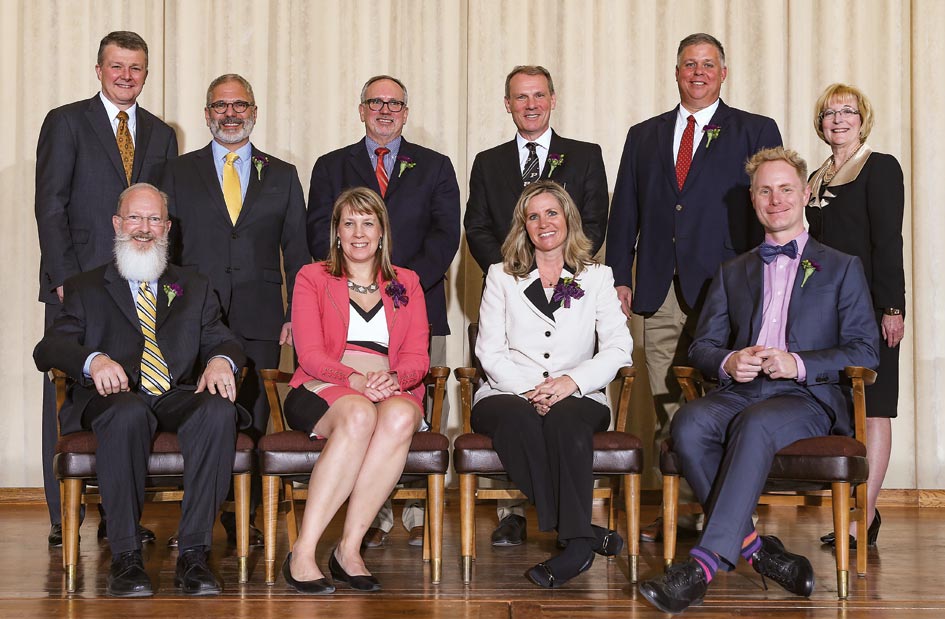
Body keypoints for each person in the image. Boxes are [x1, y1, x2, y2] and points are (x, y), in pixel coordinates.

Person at [638, 147, 879, 614]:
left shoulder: (842, 266)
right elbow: (701, 347)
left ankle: (701, 566)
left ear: (805, 194)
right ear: (753, 200)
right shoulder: (733, 272)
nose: (776, 199)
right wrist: (729, 362)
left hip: (807, 397)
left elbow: (865, 351)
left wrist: (798, 363)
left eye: (786, 189)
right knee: (686, 425)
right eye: (765, 191)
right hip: (742, 390)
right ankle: (755, 549)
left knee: (758, 424)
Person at [605, 33, 782, 541]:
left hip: (733, 289)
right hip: (659, 290)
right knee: (668, 404)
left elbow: (767, 205)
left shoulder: (754, 129)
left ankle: (729, 510)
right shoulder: (644, 135)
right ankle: (679, 507)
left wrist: (766, 278)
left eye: (708, 64)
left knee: (733, 400)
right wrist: (621, 276)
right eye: (689, 64)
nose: (698, 72)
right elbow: (626, 215)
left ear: (723, 73)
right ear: (676, 71)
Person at [33, 183, 247, 597]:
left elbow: (224, 338)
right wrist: (94, 360)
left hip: (173, 392)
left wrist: (223, 360)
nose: (144, 229)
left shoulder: (193, 285)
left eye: (153, 220)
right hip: (115, 398)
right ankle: (127, 557)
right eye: (135, 217)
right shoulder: (86, 286)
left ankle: (194, 554)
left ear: (167, 228)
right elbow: (50, 347)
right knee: (128, 411)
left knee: (219, 410)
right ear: (117, 223)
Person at [35, 30, 178, 548]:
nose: (125, 75)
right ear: (99, 69)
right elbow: (50, 208)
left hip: (138, 289)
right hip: (76, 290)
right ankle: (62, 517)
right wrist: (64, 283)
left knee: (132, 400)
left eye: (135, 67)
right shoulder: (66, 121)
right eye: (116, 66)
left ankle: (124, 517)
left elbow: (162, 216)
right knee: (69, 398)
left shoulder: (162, 134)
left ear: (146, 73)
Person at [306, 75, 459, 548]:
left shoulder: (434, 166)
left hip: (414, 303)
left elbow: (445, 236)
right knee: (360, 411)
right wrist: (354, 276)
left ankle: (412, 507)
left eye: (395, 103)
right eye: (376, 101)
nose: (385, 110)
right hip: (340, 307)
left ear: (406, 112)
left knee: (409, 405)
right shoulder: (332, 165)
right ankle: (368, 520)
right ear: (361, 109)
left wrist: (397, 284)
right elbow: (317, 231)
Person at [465, 65, 610, 546]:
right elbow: (478, 227)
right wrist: (514, 273)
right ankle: (569, 527)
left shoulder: (586, 156)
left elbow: (591, 220)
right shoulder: (489, 162)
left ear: (552, 99)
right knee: (518, 415)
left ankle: (556, 523)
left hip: (566, 284)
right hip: (513, 285)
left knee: (560, 416)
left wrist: (561, 269)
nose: (529, 104)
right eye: (519, 97)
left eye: (538, 95)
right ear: (507, 103)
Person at [161, 74, 309, 545]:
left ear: (254, 112)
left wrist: (296, 314)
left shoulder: (283, 174)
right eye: (220, 106)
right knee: (202, 410)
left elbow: (298, 250)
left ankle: (243, 516)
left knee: (255, 416)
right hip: (192, 319)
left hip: (262, 316)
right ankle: (200, 514)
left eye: (239, 105)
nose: (230, 113)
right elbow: (166, 249)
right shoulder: (178, 171)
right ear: (207, 114)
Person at [471, 181, 632, 589]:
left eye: (552, 213)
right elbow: (489, 351)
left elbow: (619, 348)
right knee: (518, 421)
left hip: (578, 391)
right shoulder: (501, 276)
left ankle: (575, 545)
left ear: (568, 219)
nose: (544, 223)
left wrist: (570, 382)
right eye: (533, 216)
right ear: (523, 226)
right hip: (508, 391)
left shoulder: (597, 276)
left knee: (566, 422)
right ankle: (581, 536)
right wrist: (531, 390)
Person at [282, 187, 430, 594]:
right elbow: (309, 353)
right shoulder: (312, 277)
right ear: (337, 232)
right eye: (349, 223)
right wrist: (356, 381)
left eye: (368, 223)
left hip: (390, 383)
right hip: (326, 383)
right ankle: (304, 552)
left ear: (382, 231)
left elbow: (418, 354)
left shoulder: (408, 282)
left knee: (400, 415)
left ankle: (348, 550)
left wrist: (397, 379)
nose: (359, 232)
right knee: (360, 414)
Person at [807, 83, 905, 549]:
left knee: (876, 409)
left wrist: (893, 306)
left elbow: (888, 242)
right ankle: (854, 510)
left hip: (870, 307)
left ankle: (863, 516)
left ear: (863, 119)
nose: (839, 119)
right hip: (826, 313)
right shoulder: (816, 176)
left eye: (848, 111)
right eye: (830, 113)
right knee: (844, 410)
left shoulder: (880, 168)